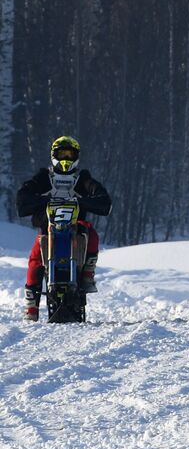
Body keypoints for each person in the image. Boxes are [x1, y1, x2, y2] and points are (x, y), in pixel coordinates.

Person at [16, 136, 112, 321]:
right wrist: (43, 199)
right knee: (36, 256)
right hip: (48, 227)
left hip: (77, 226)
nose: (66, 158)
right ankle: (31, 306)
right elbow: (22, 199)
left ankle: (87, 274)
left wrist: (83, 201)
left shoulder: (83, 179)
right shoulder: (44, 177)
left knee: (92, 234)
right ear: (54, 155)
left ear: (76, 156)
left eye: (70, 154)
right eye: (62, 154)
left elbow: (104, 201)